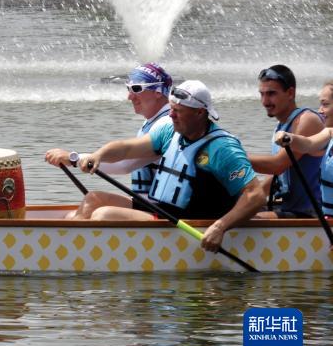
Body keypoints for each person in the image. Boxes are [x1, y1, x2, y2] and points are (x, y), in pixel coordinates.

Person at [70, 80, 266, 252]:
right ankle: (73, 251)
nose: (171, 115)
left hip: (188, 224)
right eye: (171, 109)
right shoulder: (169, 131)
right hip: (162, 211)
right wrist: (98, 155)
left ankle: (84, 258)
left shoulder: (222, 149)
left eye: (178, 111)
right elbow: (127, 149)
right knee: (93, 199)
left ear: (199, 112)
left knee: (104, 214)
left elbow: (255, 196)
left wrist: (219, 227)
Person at [45, 62, 172, 218]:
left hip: (162, 211)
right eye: (128, 89)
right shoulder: (152, 121)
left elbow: (124, 166)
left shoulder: (167, 124)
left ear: (158, 91)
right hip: (148, 204)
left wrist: (74, 159)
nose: (129, 96)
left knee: (96, 207)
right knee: (80, 209)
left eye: (137, 89)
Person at [248, 65, 325, 218]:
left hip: (311, 214)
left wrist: (232, 158)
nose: (265, 101)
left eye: (271, 94)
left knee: (243, 221)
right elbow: (276, 175)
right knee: (232, 211)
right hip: (288, 207)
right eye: (262, 94)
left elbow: (277, 165)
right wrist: (250, 197)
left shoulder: (306, 120)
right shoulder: (281, 125)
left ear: (290, 93)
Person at [275, 81, 333, 218]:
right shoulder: (329, 133)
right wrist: (290, 138)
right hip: (327, 219)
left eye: (325, 104)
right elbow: (308, 144)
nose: (320, 110)